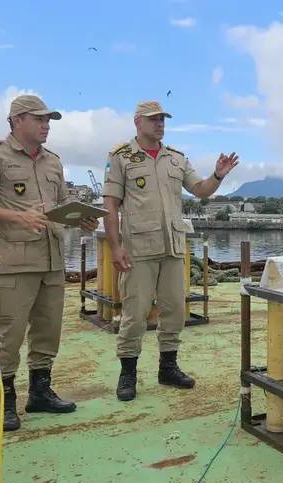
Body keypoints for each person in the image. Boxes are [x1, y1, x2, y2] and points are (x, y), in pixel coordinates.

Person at [0, 95, 99, 431]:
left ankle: (40, 392)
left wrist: (79, 219)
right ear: (17, 120)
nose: (47, 126)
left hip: (52, 261)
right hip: (14, 262)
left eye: (49, 121)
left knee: (48, 332)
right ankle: (5, 401)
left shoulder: (53, 162)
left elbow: (59, 205)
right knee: (8, 336)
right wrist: (17, 217)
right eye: (40, 119)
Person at [103, 100, 238, 401]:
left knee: (175, 310)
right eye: (153, 119)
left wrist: (217, 175)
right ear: (138, 122)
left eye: (162, 119)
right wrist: (116, 247)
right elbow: (110, 204)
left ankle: (168, 367)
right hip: (138, 248)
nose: (160, 124)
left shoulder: (176, 159)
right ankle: (128, 373)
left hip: (173, 247)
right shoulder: (120, 157)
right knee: (135, 313)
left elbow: (200, 190)